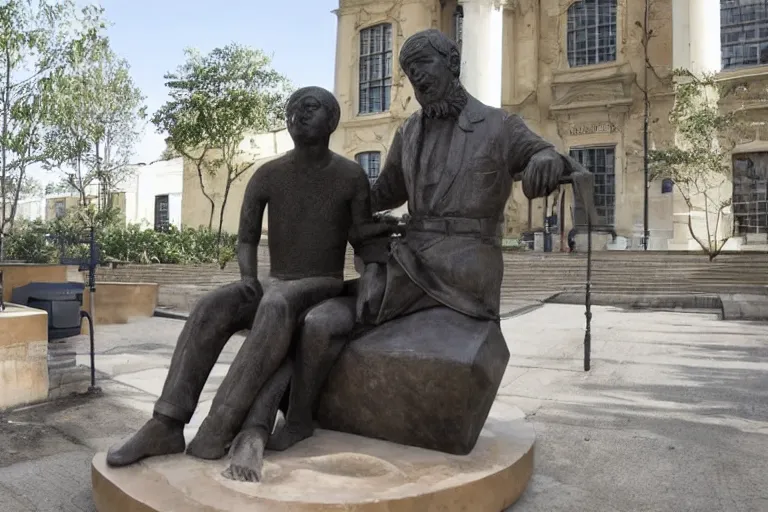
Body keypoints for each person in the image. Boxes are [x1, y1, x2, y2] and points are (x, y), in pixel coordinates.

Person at [267, 29, 598, 452]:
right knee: (315, 321)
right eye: (409, 71)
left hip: (466, 265)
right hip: (408, 258)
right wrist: (325, 185)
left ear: (453, 65)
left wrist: (547, 158)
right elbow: (381, 193)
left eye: (424, 64)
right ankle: (298, 419)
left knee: (345, 315)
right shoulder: (409, 131)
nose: (416, 77)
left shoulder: (499, 125)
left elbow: (547, 155)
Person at [105, 86, 390, 471]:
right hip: (276, 283)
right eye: (292, 110)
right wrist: (246, 277)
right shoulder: (269, 174)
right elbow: (247, 237)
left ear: (332, 120)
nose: (298, 115)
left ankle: (219, 427)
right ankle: (166, 422)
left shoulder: (350, 175)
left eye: (310, 108)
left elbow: (361, 236)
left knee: (276, 303)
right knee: (211, 306)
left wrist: (379, 255)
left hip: (321, 283)